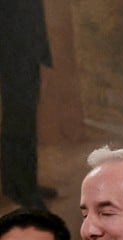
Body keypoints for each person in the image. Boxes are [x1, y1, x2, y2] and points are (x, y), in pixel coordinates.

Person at [0, 0, 57, 208]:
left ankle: (20, 183)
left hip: (27, 47)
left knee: (24, 117)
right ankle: (23, 189)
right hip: (13, 49)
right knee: (20, 119)